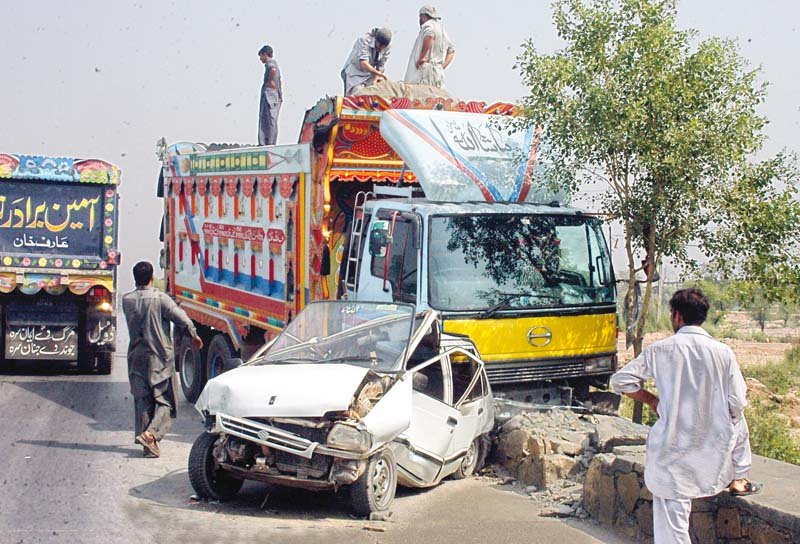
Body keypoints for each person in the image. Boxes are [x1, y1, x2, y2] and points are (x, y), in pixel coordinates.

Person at [611, 288, 762, 544]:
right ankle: (739, 477)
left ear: (677, 316)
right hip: (711, 452)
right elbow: (737, 402)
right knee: (738, 421)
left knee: (672, 529)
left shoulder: (660, 350)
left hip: (672, 452)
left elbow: (622, 381)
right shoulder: (723, 352)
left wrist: (653, 401)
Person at [122, 261, 203, 458]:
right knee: (166, 401)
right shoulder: (161, 299)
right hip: (159, 356)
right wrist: (194, 334)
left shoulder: (127, 300)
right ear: (152, 277)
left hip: (136, 356)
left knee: (143, 400)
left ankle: (147, 443)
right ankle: (151, 435)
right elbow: (182, 319)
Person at [404, 5, 455, 88]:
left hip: (425, 71)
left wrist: (422, 57)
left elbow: (429, 36)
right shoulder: (442, 30)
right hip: (438, 73)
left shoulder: (428, 25)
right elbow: (451, 50)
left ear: (423, 16)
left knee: (420, 97)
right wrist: (442, 66)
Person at [341, 27, 392, 96]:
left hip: (370, 75)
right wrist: (379, 74)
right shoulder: (364, 41)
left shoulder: (387, 47)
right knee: (358, 94)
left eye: (384, 47)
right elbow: (363, 63)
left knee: (380, 92)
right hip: (355, 74)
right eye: (380, 45)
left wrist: (376, 79)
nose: (381, 48)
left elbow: (381, 66)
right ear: (375, 40)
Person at [257, 44, 282, 145]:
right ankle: (269, 142)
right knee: (271, 120)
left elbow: (273, 69)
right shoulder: (274, 64)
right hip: (273, 95)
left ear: (265, 54)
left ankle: (267, 142)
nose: (260, 59)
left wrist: (270, 81)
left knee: (267, 119)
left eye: (261, 56)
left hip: (270, 95)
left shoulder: (270, 63)